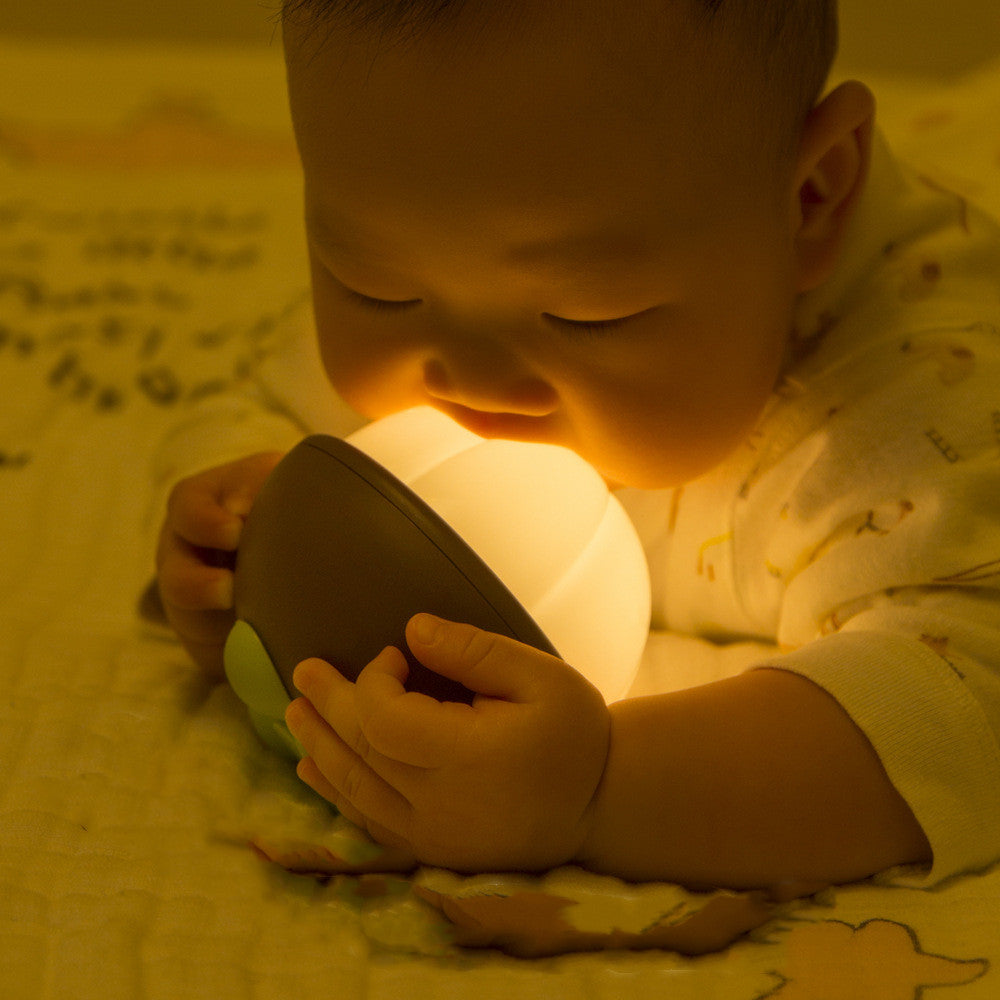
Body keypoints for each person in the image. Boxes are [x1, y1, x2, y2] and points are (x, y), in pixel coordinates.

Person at [154, 0, 1000, 893]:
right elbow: (251, 404)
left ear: (810, 200)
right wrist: (236, 527)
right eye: (374, 290)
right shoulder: (461, 238)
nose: (469, 386)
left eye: (587, 315)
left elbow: (969, 697)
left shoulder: (913, 411)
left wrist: (607, 787)